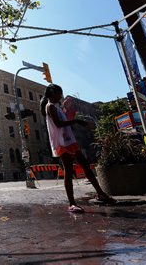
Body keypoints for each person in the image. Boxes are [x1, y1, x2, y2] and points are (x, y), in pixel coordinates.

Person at [40, 84, 116, 213]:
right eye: (59, 93)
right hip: (62, 143)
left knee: (85, 166)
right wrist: (76, 122)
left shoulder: (56, 107)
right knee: (68, 171)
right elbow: (58, 124)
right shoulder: (50, 106)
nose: (60, 96)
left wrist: (72, 116)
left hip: (69, 140)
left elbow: (63, 122)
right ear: (53, 93)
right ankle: (72, 203)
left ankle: (100, 194)